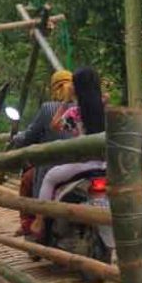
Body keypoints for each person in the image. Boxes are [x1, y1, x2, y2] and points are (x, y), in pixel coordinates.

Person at [11, 70, 76, 234]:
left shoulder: (48, 108)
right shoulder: (83, 107)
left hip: (51, 166)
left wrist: (17, 138)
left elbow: (30, 136)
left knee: (27, 180)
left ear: (54, 88)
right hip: (82, 165)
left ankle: (29, 224)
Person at [33, 67, 107, 204]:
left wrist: (66, 101)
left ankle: (40, 219)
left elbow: (54, 125)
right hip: (107, 165)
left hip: (84, 164)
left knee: (49, 178)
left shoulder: (74, 113)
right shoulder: (108, 110)